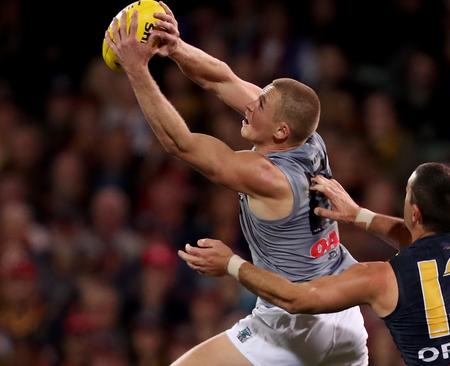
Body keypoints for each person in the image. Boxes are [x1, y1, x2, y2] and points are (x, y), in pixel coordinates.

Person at [104, 5, 368, 366]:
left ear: (280, 132)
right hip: (344, 312)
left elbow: (179, 142)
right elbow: (221, 79)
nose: (250, 104)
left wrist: (136, 69)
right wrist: (175, 46)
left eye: (261, 104)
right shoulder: (310, 139)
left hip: (294, 321)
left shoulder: (266, 175)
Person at [179, 163, 450, 365]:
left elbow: (294, 299)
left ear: (414, 211)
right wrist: (360, 216)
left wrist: (232, 264)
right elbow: (433, 244)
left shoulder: (383, 278)